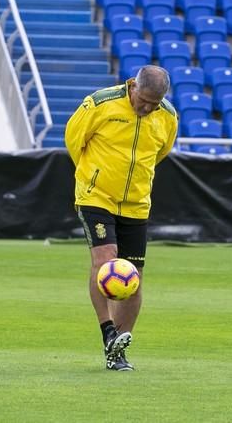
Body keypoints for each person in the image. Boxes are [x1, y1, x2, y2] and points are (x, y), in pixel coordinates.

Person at [64, 65, 178, 371]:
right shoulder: (100, 103)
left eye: (153, 104)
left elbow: (161, 152)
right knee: (106, 261)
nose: (146, 108)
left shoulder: (168, 116)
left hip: (137, 204)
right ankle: (107, 331)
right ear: (133, 86)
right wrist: (94, 177)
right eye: (143, 100)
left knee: (133, 278)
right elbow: (74, 140)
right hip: (96, 196)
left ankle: (118, 350)